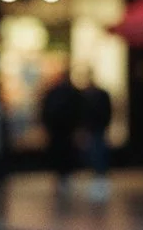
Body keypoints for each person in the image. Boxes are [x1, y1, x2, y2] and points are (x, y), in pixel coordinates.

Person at [40, 67, 82, 199]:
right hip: (62, 131)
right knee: (64, 154)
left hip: (62, 131)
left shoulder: (57, 93)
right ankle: (63, 177)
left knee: (62, 153)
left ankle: (63, 177)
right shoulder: (68, 92)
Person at [81, 75, 113, 202]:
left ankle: (100, 176)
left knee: (98, 151)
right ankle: (99, 176)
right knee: (95, 151)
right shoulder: (91, 95)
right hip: (95, 128)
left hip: (97, 128)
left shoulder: (96, 95)